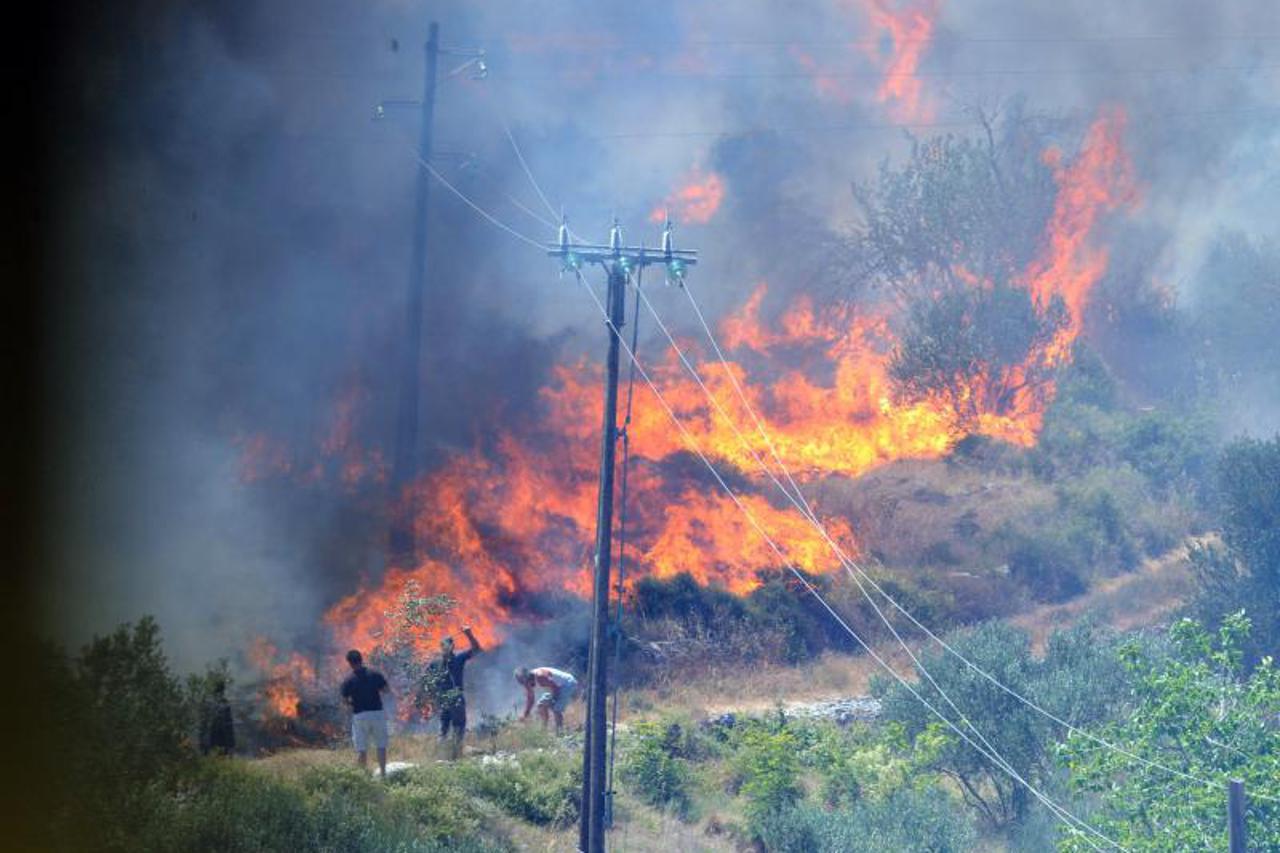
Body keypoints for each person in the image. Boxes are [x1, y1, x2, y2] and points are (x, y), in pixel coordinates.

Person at [418, 626, 481, 759]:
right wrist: (469, 634)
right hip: (455, 698)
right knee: (459, 727)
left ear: (442, 647)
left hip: (442, 700)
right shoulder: (458, 658)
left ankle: (441, 756)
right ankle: (455, 755)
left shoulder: (435, 663)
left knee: (443, 728)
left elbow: (425, 681)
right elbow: (477, 649)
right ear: (452, 646)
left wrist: (431, 698)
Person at [339, 649, 391, 778]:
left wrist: (354, 703)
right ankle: (383, 774)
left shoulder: (348, 680)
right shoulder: (375, 674)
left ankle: (363, 778)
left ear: (350, 663)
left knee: (361, 749)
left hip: (360, 715)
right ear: (361, 659)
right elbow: (386, 690)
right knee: (381, 745)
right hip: (377, 713)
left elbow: (344, 701)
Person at [514, 666, 578, 735]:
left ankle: (560, 732)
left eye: (521, 680)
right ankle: (544, 730)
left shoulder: (540, 676)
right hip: (554, 688)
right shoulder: (527, 683)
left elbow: (555, 688)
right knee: (541, 705)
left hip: (567, 683)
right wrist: (526, 714)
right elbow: (531, 699)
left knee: (556, 709)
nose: (521, 684)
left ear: (526, 677)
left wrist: (552, 701)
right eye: (519, 681)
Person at [197, 674, 235, 756]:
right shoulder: (224, 704)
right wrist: (231, 746)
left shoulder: (205, 702)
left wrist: (201, 744)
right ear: (222, 689)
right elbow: (228, 727)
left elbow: (202, 725)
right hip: (220, 743)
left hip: (207, 743)